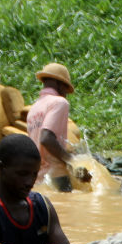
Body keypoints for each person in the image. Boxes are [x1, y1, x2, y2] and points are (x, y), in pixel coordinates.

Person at [27, 62, 80, 193]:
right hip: (57, 174)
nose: (66, 94)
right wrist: (71, 161)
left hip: (39, 177)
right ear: (60, 84)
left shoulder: (34, 108)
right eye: (66, 89)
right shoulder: (60, 102)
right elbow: (46, 138)